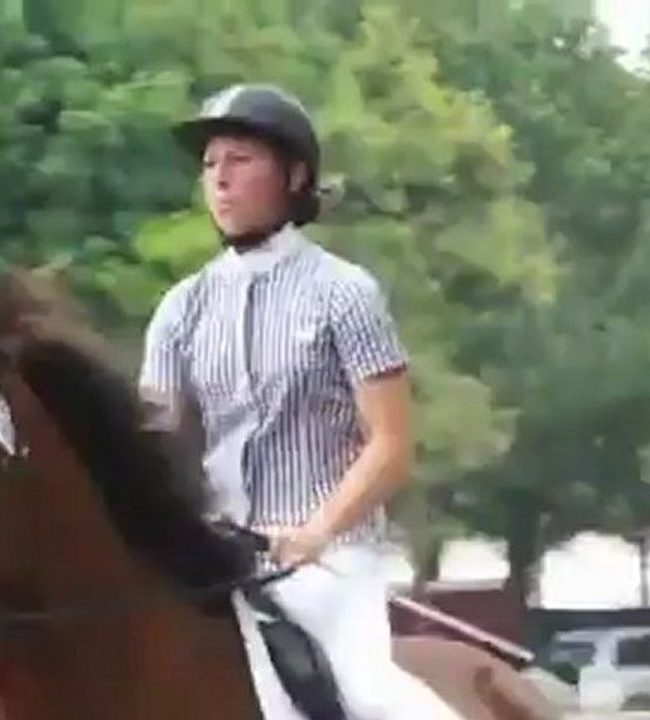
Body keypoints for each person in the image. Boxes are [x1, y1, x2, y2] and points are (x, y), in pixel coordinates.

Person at [138, 83, 462, 720]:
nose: (220, 181)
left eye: (239, 161)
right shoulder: (180, 309)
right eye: (209, 166)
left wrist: (315, 532)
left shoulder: (345, 293)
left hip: (331, 564)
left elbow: (391, 446)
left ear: (295, 174)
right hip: (219, 566)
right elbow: (159, 446)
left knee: (369, 693)